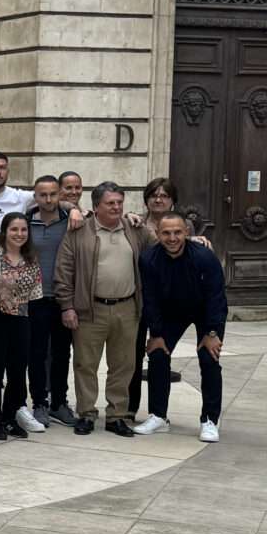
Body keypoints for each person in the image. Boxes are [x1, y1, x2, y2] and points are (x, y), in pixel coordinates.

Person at [53, 182, 152, 437]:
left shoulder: (134, 229)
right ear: (96, 206)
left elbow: (163, 242)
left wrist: (193, 237)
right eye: (110, 203)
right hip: (90, 309)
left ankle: (117, 416)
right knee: (86, 364)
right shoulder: (78, 231)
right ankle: (86, 414)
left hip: (127, 308)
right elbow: (64, 271)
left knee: (124, 365)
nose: (116, 207)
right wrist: (67, 306)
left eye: (119, 202)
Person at [136, 212, 226, 442]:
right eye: (166, 233)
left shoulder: (204, 257)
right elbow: (150, 298)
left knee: (209, 359)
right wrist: (155, 333)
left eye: (177, 232)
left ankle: (210, 420)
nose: (172, 237)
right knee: (157, 355)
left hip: (204, 311)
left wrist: (212, 332)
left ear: (187, 233)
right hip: (170, 313)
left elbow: (216, 296)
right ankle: (158, 416)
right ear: (157, 234)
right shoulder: (148, 259)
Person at [0, 211, 44, 440]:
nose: (19, 234)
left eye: (23, 230)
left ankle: (9, 417)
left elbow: (35, 294)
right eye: (14, 229)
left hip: (21, 319)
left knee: (18, 373)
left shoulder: (31, 259)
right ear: (5, 231)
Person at [25, 175, 74, 427]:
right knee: (36, 353)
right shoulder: (25, 223)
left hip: (63, 298)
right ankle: (40, 403)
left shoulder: (71, 223)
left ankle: (59, 402)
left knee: (61, 353)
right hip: (34, 299)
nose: (48, 199)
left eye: (53, 194)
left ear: (59, 195)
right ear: (35, 197)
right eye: (42, 194)